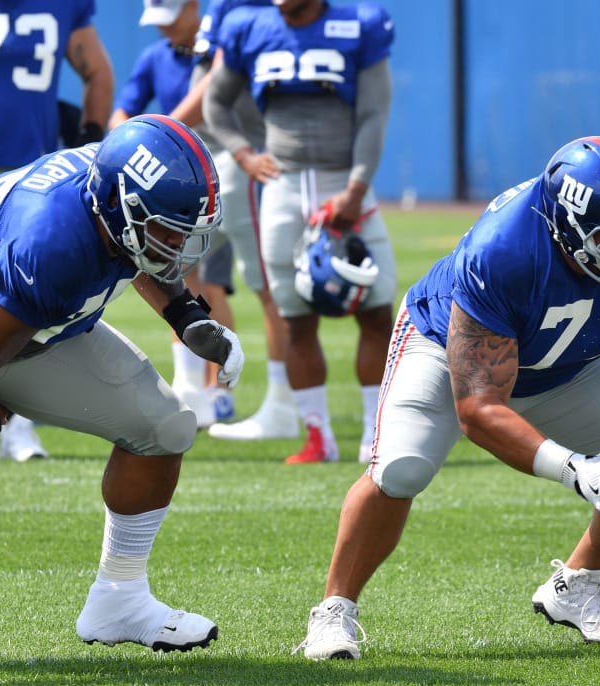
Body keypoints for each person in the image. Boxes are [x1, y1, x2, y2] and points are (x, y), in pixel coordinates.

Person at [293, 136, 600, 661]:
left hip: (568, 361)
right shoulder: (503, 251)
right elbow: (478, 409)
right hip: (444, 347)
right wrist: (571, 468)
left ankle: (579, 586)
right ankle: (334, 611)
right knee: (400, 469)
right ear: (567, 229)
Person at [0, 115, 236, 666]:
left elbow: (139, 244)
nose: (179, 245)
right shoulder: (53, 238)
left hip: (24, 328)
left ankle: (120, 599)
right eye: (169, 230)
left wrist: (182, 310)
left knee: (163, 427)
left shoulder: (114, 187)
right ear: (123, 208)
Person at [202, 0, 396, 464]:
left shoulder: (358, 22)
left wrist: (356, 187)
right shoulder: (250, 25)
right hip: (283, 187)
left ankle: (376, 435)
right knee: (294, 319)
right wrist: (245, 155)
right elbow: (216, 102)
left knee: (375, 310)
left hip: (344, 181)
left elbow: (373, 113)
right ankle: (318, 438)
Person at [0, 0, 115, 463]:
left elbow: (99, 74)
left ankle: (20, 422)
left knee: (28, 295)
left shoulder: (61, 5)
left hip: (33, 175)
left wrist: (89, 144)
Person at [110, 0, 240, 428]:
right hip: (167, 187)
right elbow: (125, 107)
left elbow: (209, 105)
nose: (165, 30)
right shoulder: (155, 57)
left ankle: (218, 388)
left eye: (171, 18)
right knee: (178, 276)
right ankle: (188, 385)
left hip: (215, 174)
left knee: (213, 283)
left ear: (193, 8)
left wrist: (159, 138)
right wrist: (119, 143)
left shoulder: (220, 49)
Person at [183, 0, 301, 440]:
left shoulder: (242, 10)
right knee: (181, 269)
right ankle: (193, 389)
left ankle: (284, 405)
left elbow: (216, 82)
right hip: (222, 154)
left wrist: (168, 126)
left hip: (243, 157)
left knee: (270, 284)